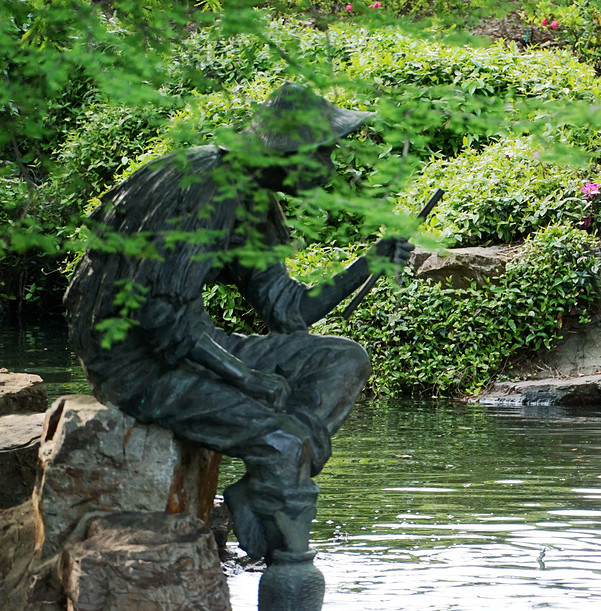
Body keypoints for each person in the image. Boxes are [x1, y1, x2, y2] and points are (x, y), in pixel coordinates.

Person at [64, 82, 411, 562]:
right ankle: (288, 546)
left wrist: (366, 265)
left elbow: (285, 310)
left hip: (188, 341)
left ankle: (270, 481)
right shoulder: (205, 190)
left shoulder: (250, 194)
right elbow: (159, 316)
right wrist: (247, 379)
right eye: (325, 153)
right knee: (284, 443)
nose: (331, 168)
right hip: (133, 360)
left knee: (342, 360)